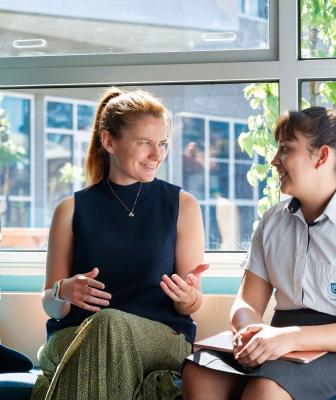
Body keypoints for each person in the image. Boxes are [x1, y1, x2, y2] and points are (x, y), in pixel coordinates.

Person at [182, 107, 336, 400]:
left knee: (266, 389)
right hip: (282, 344)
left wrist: (289, 338)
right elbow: (247, 301)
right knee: (199, 372)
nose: (274, 161)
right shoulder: (273, 221)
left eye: (285, 149)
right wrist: (250, 331)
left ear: (321, 156)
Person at [31, 88, 206, 400]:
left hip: (159, 337)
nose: (157, 154)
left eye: (162, 143)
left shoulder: (183, 205)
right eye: (145, 143)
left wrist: (188, 296)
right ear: (109, 142)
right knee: (105, 329)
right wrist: (63, 291)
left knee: (110, 325)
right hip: (75, 335)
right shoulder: (70, 210)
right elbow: (51, 306)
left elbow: (191, 304)